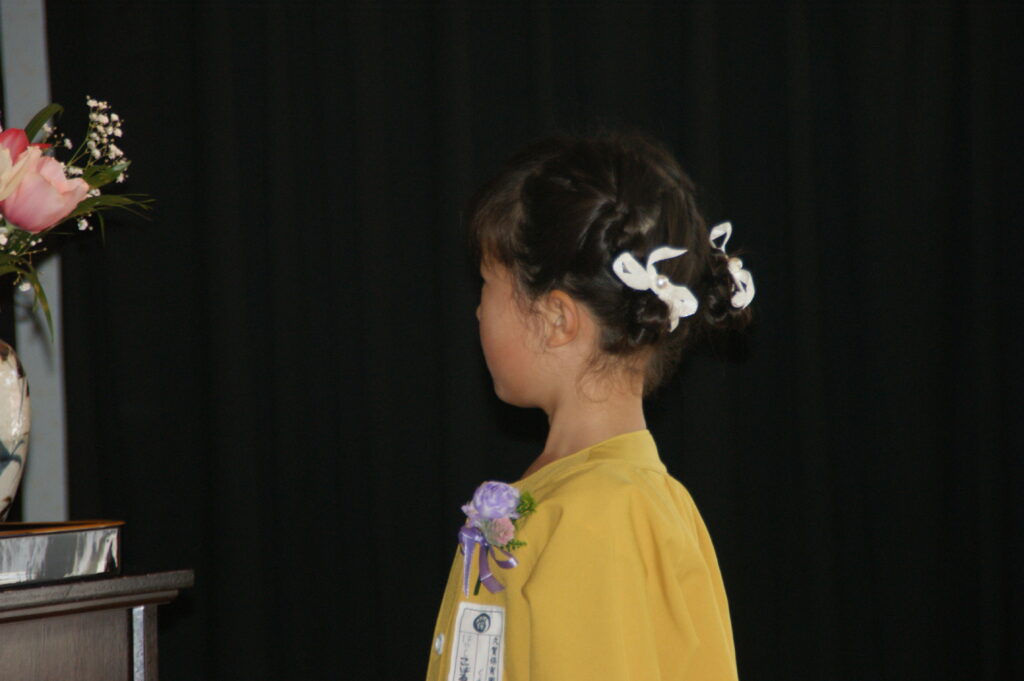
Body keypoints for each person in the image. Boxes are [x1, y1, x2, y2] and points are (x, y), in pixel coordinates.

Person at [425, 131, 754, 681]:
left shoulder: (595, 518)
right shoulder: (594, 499)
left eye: (486, 283)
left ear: (557, 319)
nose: (478, 310)